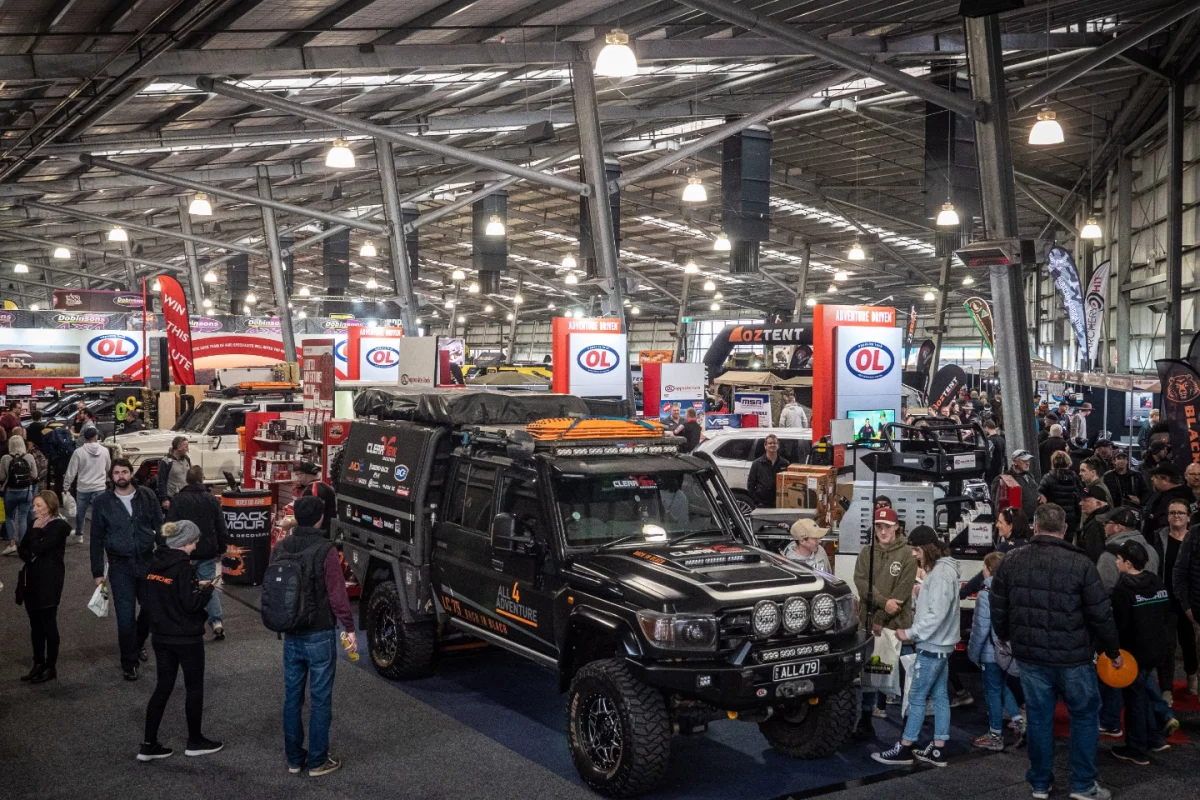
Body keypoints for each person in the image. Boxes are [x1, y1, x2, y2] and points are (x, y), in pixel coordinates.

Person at [990, 503, 1121, 800]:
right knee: (1085, 717)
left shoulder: (1012, 560)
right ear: (1064, 530)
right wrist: (1112, 651)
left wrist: (1006, 637)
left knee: (1038, 719)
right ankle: (1083, 785)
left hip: (1031, 657)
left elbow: (998, 605)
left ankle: (1039, 783)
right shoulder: (1081, 563)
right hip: (1074, 658)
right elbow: (1101, 614)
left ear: (1035, 526)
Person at [275, 496, 357, 777]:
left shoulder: (282, 546)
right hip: (320, 633)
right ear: (321, 518)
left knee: (292, 698)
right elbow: (337, 594)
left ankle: (294, 759)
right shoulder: (326, 549)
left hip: (290, 632)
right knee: (320, 699)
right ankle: (318, 761)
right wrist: (348, 627)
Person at [871, 526, 960, 768]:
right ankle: (938, 748)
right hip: (943, 645)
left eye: (917, 549)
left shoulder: (940, 575)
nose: (914, 554)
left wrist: (909, 633)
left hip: (932, 645)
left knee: (917, 696)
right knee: (940, 696)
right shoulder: (946, 571)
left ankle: (906, 747)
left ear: (928, 548)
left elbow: (936, 615)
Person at [138, 520, 223, 763]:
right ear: (185, 542)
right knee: (194, 687)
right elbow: (190, 604)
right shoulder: (184, 568)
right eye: (194, 541)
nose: (196, 546)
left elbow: (151, 599)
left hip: (161, 636)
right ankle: (195, 741)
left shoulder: (155, 563)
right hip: (186, 637)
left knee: (163, 687)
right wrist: (206, 591)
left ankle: (148, 744)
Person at [91, 458, 165, 681]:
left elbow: (160, 526)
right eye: (116, 473)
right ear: (111, 476)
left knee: (151, 609)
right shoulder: (103, 502)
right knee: (124, 618)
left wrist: (168, 556)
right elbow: (96, 539)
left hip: (147, 561)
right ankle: (129, 663)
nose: (121, 476)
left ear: (131, 473)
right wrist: (97, 572)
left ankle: (138, 642)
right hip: (119, 565)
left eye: (124, 472)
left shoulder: (147, 496)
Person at [852, 507, 917, 739]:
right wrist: (880, 604)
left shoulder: (908, 555)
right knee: (870, 673)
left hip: (897, 627)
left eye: (887, 527)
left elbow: (901, 593)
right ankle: (866, 719)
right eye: (878, 527)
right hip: (871, 626)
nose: (882, 531)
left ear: (896, 527)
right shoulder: (866, 553)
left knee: (903, 678)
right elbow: (861, 581)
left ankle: (909, 728)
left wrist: (880, 617)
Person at [1109, 540, 1170, 766]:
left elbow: (1120, 625)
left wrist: (1113, 651)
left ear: (1127, 562)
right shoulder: (1156, 581)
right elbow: (1165, 613)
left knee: (1134, 700)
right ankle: (1153, 738)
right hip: (1155, 649)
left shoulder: (1123, 589)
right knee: (1143, 693)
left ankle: (1137, 748)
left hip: (1134, 654)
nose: (1115, 562)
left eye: (1118, 559)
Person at [168, 466, 229, 641]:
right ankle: (217, 622)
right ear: (202, 479)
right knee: (208, 585)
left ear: (186, 480)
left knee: (184, 586)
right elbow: (221, 527)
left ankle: (186, 623)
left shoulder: (178, 500)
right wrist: (221, 548)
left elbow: (170, 525)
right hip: (207, 551)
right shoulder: (211, 499)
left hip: (185, 551)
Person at [968, 551, 1022, 751]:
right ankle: (1018, 721)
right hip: (1007, 652)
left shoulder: (985, 595)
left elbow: (980, 630)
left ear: (989, 570)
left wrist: (973, 655)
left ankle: (995, 734)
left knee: (992, 691)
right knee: (1002, 686)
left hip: (990, 653)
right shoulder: (1012, 591)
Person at [17, 490, 70, 684]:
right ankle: (38, 663)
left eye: (39, 505)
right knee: (35, 625)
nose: (34, 509)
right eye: (34, 505)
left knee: (48, 624)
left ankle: (50, 666)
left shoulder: (60, 526)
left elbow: (39, 548)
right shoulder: (33, 524)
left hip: (50, 581)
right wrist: (31, 549)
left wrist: (34, 539)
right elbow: (23, 550)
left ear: (50, 505)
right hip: (31, 579)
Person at [1157, 498, 1197, 700]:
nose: (1176, 516)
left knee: (1190, 642)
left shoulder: (1194, 539)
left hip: (1190, 602)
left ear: (1188, 517)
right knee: (1167, 645)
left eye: (1180, 513)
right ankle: (1166, 687)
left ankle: (1192, 676)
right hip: (1166, 600)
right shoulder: (1158, 537)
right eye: (1172, 513)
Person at [64, 426, 111, 543]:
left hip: (83, 487)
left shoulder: (78, 452)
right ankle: (100, 534)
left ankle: (79, 534)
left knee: (81, 512)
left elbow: (71, 471)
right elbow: (108, 467)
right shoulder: (105, 451)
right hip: (99, 486)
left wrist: (66, 486)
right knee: (99, 513)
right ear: (96, 436)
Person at [1097, 507, 1158, 593]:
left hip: (1121, 605)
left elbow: (1104, 589)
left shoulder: (1109, 555)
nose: (1103, 525)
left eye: (1106, 522)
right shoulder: (1151, 550)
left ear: (1117, 527)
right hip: (1148, 604)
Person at [0, 436, 37, 554]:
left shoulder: (5, 458)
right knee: (22, 518)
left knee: (9, 517)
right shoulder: (29, 457)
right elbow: (35, 475)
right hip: (26, 492)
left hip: (10, 492)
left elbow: (2, 477)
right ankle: (22, 545)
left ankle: (12, 544)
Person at [1039, 450, 1084, 543]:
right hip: (1071, 518)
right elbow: (1081, 493)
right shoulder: (1074, 477)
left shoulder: (1048, 477)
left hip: (1053, 517)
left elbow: (1040, 496)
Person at [1142, 465, 1191, 542]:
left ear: (1165, 479)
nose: (1151, 479)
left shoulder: (1171, 500)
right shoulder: (1187, 492)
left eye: (1155, 477)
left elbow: (1164, 527)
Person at [989, 449, 1040, 521]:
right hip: (1018, 523)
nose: (1027, 463)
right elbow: (998, 505)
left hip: (1033, 520)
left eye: (1028, 460)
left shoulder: (1029, 476)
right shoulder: (1004, 478)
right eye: (1024, 461)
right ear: (1014, 462)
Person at [293, 461, 337, 535]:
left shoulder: (311, 490)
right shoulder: (326, 486)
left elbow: (311, 516)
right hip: (330, 531)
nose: (298, 478)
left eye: (299, 475)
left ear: (304, 475)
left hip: (319, 534)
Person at [746, 434, 789, 509]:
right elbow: (751, 484)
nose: (772, 445)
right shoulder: (757, 463)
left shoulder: (784, 463)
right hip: (762, 504)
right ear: (765, 446)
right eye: (770, 443)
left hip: (780, 503)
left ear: (778, 445)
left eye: (775, 443)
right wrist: (757, 501)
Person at [1076, 486, 1111, 563]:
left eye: (1085, 500)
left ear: (1098, 504)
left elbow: (1093, 555)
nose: (1080, 503)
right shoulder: (1099, 518)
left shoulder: (1097, 524)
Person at [156, 436, 191, 510]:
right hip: (172, 499)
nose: (188, 449)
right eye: (186, 446)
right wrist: (164, 499)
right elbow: (161, 481)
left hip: (186, 498)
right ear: (179, 447)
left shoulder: (187, 459)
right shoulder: (166, 462)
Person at [984, 419, 1006, 483]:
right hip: (1000, 469)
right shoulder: (1001, 439)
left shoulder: (990, 440)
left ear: (987, 428)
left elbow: (989, 456)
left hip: (992, 471)